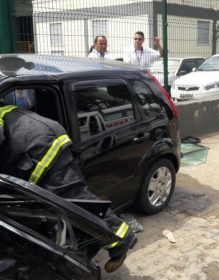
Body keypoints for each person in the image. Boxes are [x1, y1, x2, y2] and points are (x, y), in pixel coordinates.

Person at [0, 89, 136, 273]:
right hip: (38, 139)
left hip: (41, 145)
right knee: (66, 201)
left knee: (72, 200)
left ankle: (121, 238)